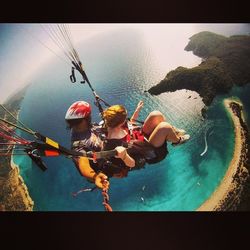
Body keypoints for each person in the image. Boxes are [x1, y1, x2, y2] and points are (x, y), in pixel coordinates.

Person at [102, 101, 190, 176]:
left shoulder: (113, 125)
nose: (126, 120)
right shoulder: (114, 144)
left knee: (156, 114)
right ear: (120, 123)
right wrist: (124, 156)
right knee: (164, 127)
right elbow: (133, 164)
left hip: (141, 138)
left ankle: (170, 133)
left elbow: (130, 124)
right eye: (125, 118)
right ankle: (177, 140)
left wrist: (137, 110)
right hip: (150, 151)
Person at [64, 100, 130, 188]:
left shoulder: (85, 127)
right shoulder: (79, 145)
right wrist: (95, 177)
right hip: (107, 162)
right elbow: (84, 166)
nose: (90, 117)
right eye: (89, 115)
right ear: (84, 120)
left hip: (106, 151)